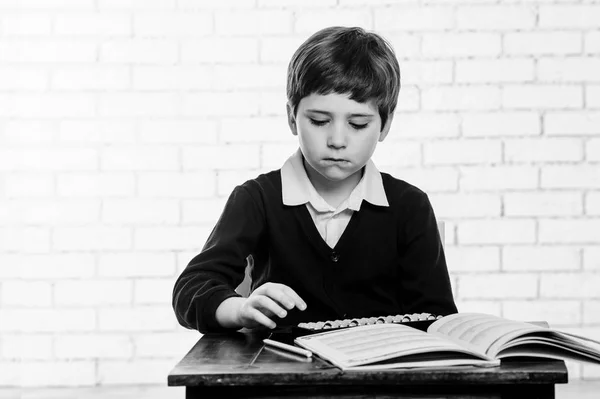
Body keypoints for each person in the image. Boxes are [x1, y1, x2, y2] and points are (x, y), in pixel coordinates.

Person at [172, 26, 457, 333]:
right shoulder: (257, 199)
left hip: (378, 378)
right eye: (319, 121)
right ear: (292, 117)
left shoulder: (409, 205)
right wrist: (240, 310)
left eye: (358, 124)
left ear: (385, 126)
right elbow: (192, 289)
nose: (337, 140)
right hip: (283, 376)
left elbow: (436, 317)